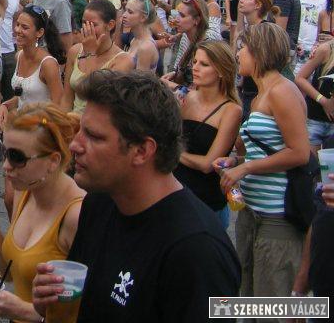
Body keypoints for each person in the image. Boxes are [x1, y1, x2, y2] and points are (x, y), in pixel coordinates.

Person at [32, 70, 241, 322]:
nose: (75, 145)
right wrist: (51, 304)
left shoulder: (198, 251)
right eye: (80, 131)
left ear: (142, 151)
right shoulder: (99, 202)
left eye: (94, 136)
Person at [215, 23, 310, 301]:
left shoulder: (282, 91)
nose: (238, 54)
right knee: (250, 296)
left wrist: (245, 167)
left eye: (243, 47)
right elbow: (266, 152)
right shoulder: (260, 95)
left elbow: (299, 152)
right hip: (252, 211)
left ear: (259, 51)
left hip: (276, 216)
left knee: (272, 301)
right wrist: (236, 161)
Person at [0, 103, 85, 322]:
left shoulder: (77, 216)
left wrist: (24, 311)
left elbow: (89, 310)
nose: (5, 166)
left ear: (53, 161)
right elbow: (10, 271)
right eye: (5, 153)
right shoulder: (26, 191)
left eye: (17, 157)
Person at [173, 40, 242, 227]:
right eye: (195, 62)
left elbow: (207, 164)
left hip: (206, 202)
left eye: (204, 64)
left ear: (221, 71)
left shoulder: (231, 110)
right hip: (175, 194)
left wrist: (172, 152)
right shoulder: (184, 97)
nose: (195, 68)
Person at [62, 0, 134, 113]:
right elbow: (67, 98)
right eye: (84, 23)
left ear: (110, 25)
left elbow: (94, 95)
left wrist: (91, 53)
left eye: (93, 25)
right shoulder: (75, 51)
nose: (87, 29)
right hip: (72, 120)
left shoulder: (123, 61)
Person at [162, 0, 218, 90]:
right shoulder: (188, 38)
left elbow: (200, 92)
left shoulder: (206, 48)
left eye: (182, 15)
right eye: (177, 14)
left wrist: (172, 85)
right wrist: (174, 74)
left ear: (196, 20)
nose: (176, 19)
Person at [295, 0, 325, 72]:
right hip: (299, 50)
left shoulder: (326, 2)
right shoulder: (300, 0)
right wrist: (297, 42)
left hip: (316, 51)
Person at [121, 0, 159, 72]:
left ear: (143, 18)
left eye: (130, 12)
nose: (124, 15)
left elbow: (139, 79)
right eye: (125, 10)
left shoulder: (146, 47)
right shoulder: (135, 39)